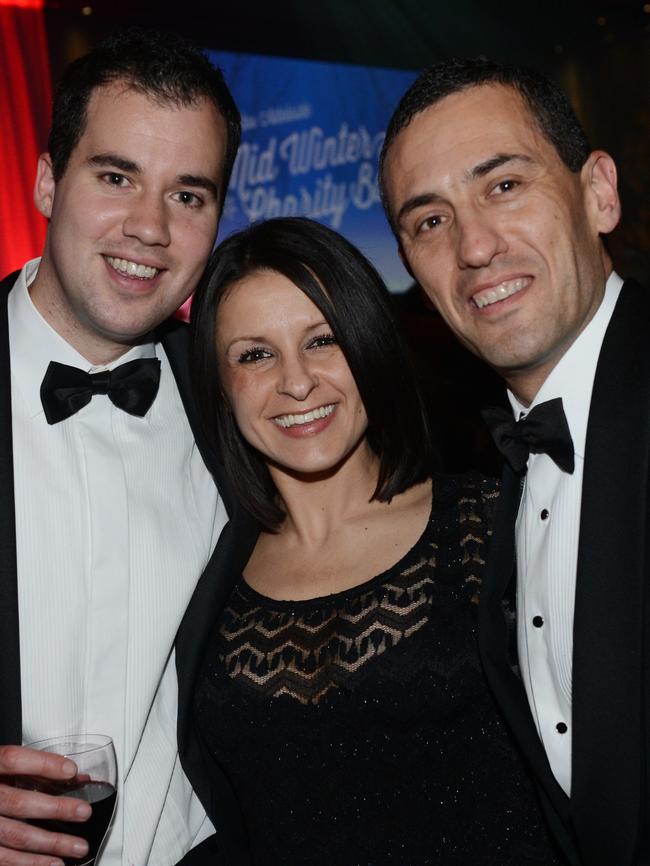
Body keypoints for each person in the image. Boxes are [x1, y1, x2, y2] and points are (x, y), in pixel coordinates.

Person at [183, 215, 561, 865]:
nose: (296, 382)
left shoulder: (494, 525)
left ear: (368, 343)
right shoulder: (203, 575)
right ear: (220, 386)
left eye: (323, 340)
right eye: (255, 354)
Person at [379, 57, 645, 866]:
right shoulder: (497, 471)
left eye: (503, 185)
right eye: (429, 221)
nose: (476, 247)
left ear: (598, 192)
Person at [0, 28, 242, 866]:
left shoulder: (240, 406)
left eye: (189, 196)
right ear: (45, 181)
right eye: (115, 177)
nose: (149, 227)